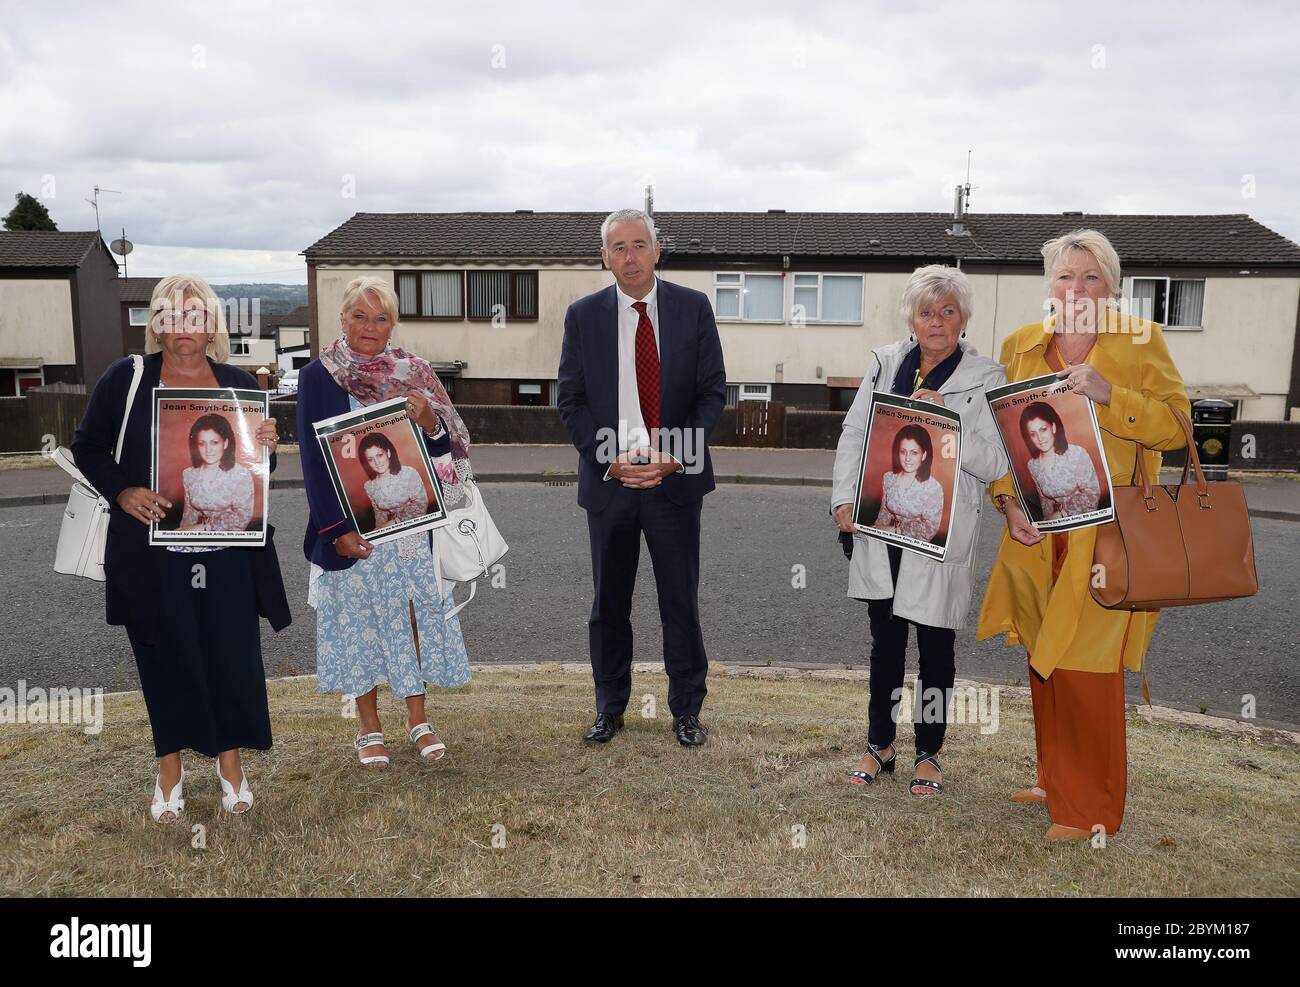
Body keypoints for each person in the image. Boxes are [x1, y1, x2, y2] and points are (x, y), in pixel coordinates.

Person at [977, 229, 1190, 841]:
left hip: (1106, 533)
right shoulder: (1021, 345)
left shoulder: (1142, 342)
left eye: (1091, 277)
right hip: (1037, 532)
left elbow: (1178, 428)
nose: (1077, 288)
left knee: (1087, 666)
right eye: (1066, 276)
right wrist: (1005, 503)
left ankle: (1090, 810)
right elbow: (1002, 434)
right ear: (1049, 284)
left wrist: (1111, 394)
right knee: (1044, 658)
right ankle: (1052, 775)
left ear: (1112, 286)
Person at [72, 274, 289, 821]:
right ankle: (168, 767)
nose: (183, 324)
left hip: (228, 556)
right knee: (163, 656)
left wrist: (269, 447)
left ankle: (230, 764)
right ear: (157, 322)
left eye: (195, 314)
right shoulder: (126, 378)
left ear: (212, 323)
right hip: (152, 554)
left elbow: (258, 473)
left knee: (232, 656)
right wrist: (122, 491)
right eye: (171, 313)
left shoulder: (239, 382)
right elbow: (88, 446)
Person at [832, 265, 1008, 796]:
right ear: (911, 317)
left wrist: (949, 421)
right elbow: (855, 432)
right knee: (884, 643)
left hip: (939, 535)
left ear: (963, 319)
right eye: (927, 311)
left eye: (948, 311)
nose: (937, 322)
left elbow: (996, 460)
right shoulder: (886, 364)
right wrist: (843, 498)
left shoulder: (985, 377)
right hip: (882, 525)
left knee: (935, 646)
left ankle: (929, 752)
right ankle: (879, 743)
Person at [557, 208, 726, 747]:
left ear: (657, 250)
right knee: (610, 604)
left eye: (638, 245)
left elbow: (711, 393)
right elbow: (571, 401)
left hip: (675, 481)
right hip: (610, 483)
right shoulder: (582, 316)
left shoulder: (693, 308)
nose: (629, 256)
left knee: (680, 599)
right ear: (604, 257)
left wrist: (674, 455)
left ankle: (686, 711)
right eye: (618, 247)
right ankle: (609, 707)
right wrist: (608, 461)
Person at [297, 276, 472, 768]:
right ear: (342, 320)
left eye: (379, 318)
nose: (368, 326)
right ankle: (368, 726)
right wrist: (336, 530)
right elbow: (313, 460)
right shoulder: (319, 376)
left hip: (411, 530)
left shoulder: (413, 372)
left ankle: (418, 718)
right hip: (350, 530)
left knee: (413, 617)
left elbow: (444, 451)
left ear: (393, 324)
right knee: (360, 620)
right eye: (359, 315)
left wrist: (430, 422)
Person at [1018, 401, 1101, 519]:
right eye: (1032, 434)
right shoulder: (1033, 465)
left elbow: (1093, 494)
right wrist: (1048, 522)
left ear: (1053, 427)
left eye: (1043, 429)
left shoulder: (1077, 454)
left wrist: (1063, 514)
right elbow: (1045, 501)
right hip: (1056, 524)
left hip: (1085, 520)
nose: (1040, 438)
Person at [179, 413, 255, 531]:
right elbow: (189, 515)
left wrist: (203, 528)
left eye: (214, 442)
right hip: (197, 535)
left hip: (230, 538)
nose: (208, 450)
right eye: (202, 443)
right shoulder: (189, 474)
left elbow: (242, 518)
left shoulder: (241, 475)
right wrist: (181, 534)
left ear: (225, 443)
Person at [874, 424, 945, 542]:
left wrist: (895, 531)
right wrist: (875, 532)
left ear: (924, 455)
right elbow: (884, 515)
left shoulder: (933, 488)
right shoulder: (888, 478)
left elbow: (929, 531)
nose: (907, 458)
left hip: (915, 550)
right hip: (887, 541)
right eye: (903, 452)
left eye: (914, 452)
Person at [358, 432, 428, 528]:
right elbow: (380, 515)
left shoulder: (409, 473)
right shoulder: (369, 486)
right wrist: (378, 532)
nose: (377, 462)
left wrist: (395, 522)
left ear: (388, 453)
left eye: (379, 455)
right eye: (370, 459)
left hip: (416, 525)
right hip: (391, 530)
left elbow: (421, 506)